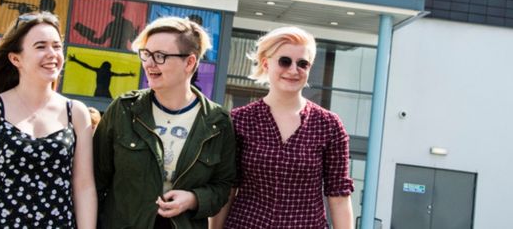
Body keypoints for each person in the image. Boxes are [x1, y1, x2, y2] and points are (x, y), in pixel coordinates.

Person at [0, 11, 97, 229]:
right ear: (15, 58)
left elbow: (84, 187)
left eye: (57, 46)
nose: (52, 54)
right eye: (40, 46)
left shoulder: (76, 112)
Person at [93, 16, 235, 229]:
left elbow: (223, 187)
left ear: (190, 62)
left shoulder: (217, 122)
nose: (149, 64)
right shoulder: (124, 109)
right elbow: (94, 180)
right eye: (146, 54)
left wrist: (194, 199)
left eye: (160, 56)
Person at [210, 26, 355, 229]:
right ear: (265, 63)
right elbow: (227, 190)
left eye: (302, 64)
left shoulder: (328, 125)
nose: (293, 70)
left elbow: (339, 195)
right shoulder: (239, 121)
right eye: (284, 61)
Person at [68, 54, 136, 99]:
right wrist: (129, 74)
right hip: (103, 90)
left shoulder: (100, 71)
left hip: (100, 90)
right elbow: (120, 74)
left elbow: (86, 66)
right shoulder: (108, 73)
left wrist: (75, 60)